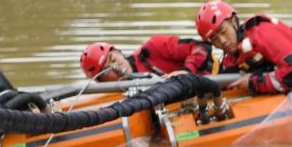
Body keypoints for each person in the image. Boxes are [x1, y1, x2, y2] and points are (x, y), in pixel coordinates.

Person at [194, 0, 292, 136]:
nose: (222, 41)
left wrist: (253, 82)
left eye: (223, 32)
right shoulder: (232, 57)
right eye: (214, 39)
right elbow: (224, 86)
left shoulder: (263, 33)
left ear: (234, 22)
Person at [79, 36, 216, 82]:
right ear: (101, 81)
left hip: (209, 81)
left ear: (118, 51)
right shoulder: (113, 96)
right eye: (107, 70)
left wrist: (186, 71)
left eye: (113, 58)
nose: (116, 66)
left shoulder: (153, 47)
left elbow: (201, 47)